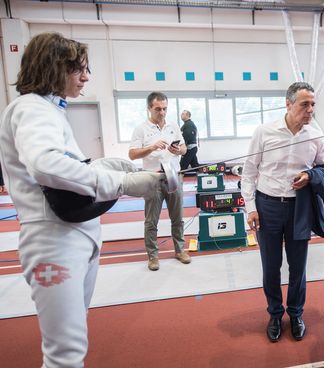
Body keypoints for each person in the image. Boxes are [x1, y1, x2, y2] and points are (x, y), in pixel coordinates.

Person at [0, 32, 163, 367]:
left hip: (72, 240)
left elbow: (67, 168)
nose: (86, 77)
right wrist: (122, 182)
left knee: (70, 348)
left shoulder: (48, 110)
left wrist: (111, 166)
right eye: (80, 70)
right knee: (65, 356)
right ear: (55, 68)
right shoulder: (32, 109)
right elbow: (46, 166)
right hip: (54, 245)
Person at [241, 82, 324, 343]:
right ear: (288, 104)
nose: (310, 109)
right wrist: (251, 208)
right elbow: (249, 172)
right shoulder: (264, 132)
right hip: (267, 207)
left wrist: (309, 175)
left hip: (299, 208)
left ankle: (296, 313)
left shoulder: (315, 134)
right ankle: (275, 314)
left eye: (313, 104)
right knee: (271, 267)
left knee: (298, 267)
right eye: (305, 104)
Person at [129, 92, 192, 271]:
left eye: (164, 109)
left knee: (178, 218)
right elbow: (132, 154)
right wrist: (150, 147)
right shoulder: (141, 129)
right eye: (158, 109)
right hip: (152, 178)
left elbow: (184, 149)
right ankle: (153, 256)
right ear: (149, 108)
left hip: (174, 176)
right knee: (151, 221)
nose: (162, 112)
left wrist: (177, 150)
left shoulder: (173, 126)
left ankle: (180, 250)